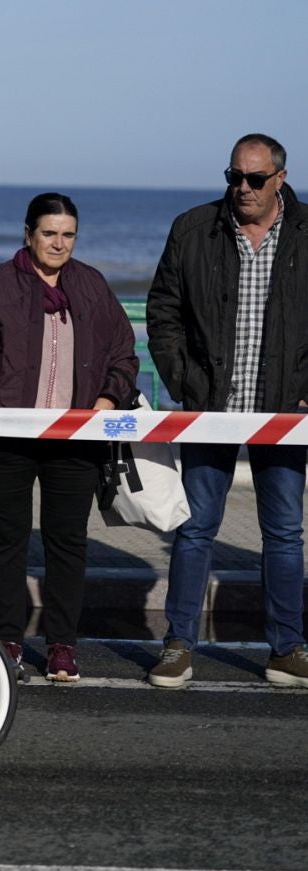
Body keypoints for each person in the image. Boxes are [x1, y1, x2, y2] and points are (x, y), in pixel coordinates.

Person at [0, 193, 138, 682]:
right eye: (49, 233)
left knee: (67, 541)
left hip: (76, 438)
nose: (59, 244)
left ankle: (62, 645)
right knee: (6, 540)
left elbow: (123, 353)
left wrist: (107, 400)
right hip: (6, 439)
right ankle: (6, 641)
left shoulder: (91, 286)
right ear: (28, 234)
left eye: (68, 235)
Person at [146, 134, 308, 690]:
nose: (243, 187)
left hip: (283, 412)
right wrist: (184, 381)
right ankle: (178, 646)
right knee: (195, 528)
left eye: (255, 179)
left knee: (284, 532)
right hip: (210, 408)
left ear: (280, 179)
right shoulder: (193, 228)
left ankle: (287, 650)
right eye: (234, 176)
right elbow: (163, 310)